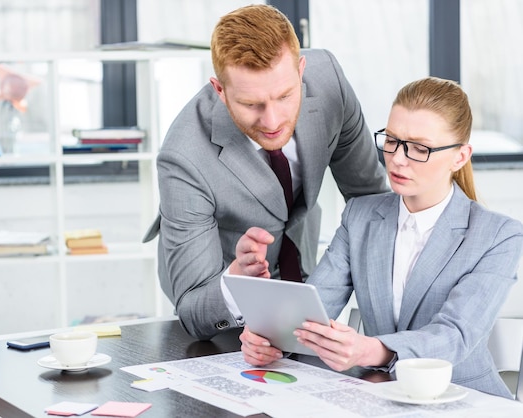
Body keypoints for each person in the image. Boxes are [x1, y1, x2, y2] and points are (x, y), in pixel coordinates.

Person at [236, 76, 523, 398]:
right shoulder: (360, 216)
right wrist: (270, 339)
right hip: (378, 394)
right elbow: (314, 309)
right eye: (392, 140)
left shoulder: (499, 235)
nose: (398, 158)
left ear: (460, 156)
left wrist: (372, 351)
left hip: (467, 398)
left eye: (419, 148)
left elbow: (455, 335)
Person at [142, 4, 388, 340]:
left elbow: (369, 200)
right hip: (222, 300)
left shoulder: (328, 79)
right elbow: (193, 309)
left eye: (285, 96)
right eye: (250, 104)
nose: (272, 122)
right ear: (220, 91)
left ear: (301, 70)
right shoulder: (184, 156)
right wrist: (234, 280)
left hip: (301, 265)